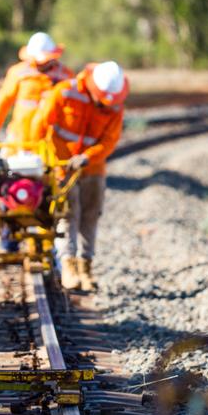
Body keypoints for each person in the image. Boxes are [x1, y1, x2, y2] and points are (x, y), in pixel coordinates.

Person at [31, 61, 127, 292]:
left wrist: (88, 157)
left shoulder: (115, 104)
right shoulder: (65, 91)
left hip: (92, 168)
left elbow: (110, 140)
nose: (106, 105)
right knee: (68, 214)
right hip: (62, 166)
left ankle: (86, 267)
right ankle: (68, 266)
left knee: (91, 215)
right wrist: (44, 161)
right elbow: (40, 125)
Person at [0, 31, 74, 145]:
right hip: (20, 136)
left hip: (52, 139)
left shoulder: (66, 75)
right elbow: (3, 100)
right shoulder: (18, 72)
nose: (42, 64)